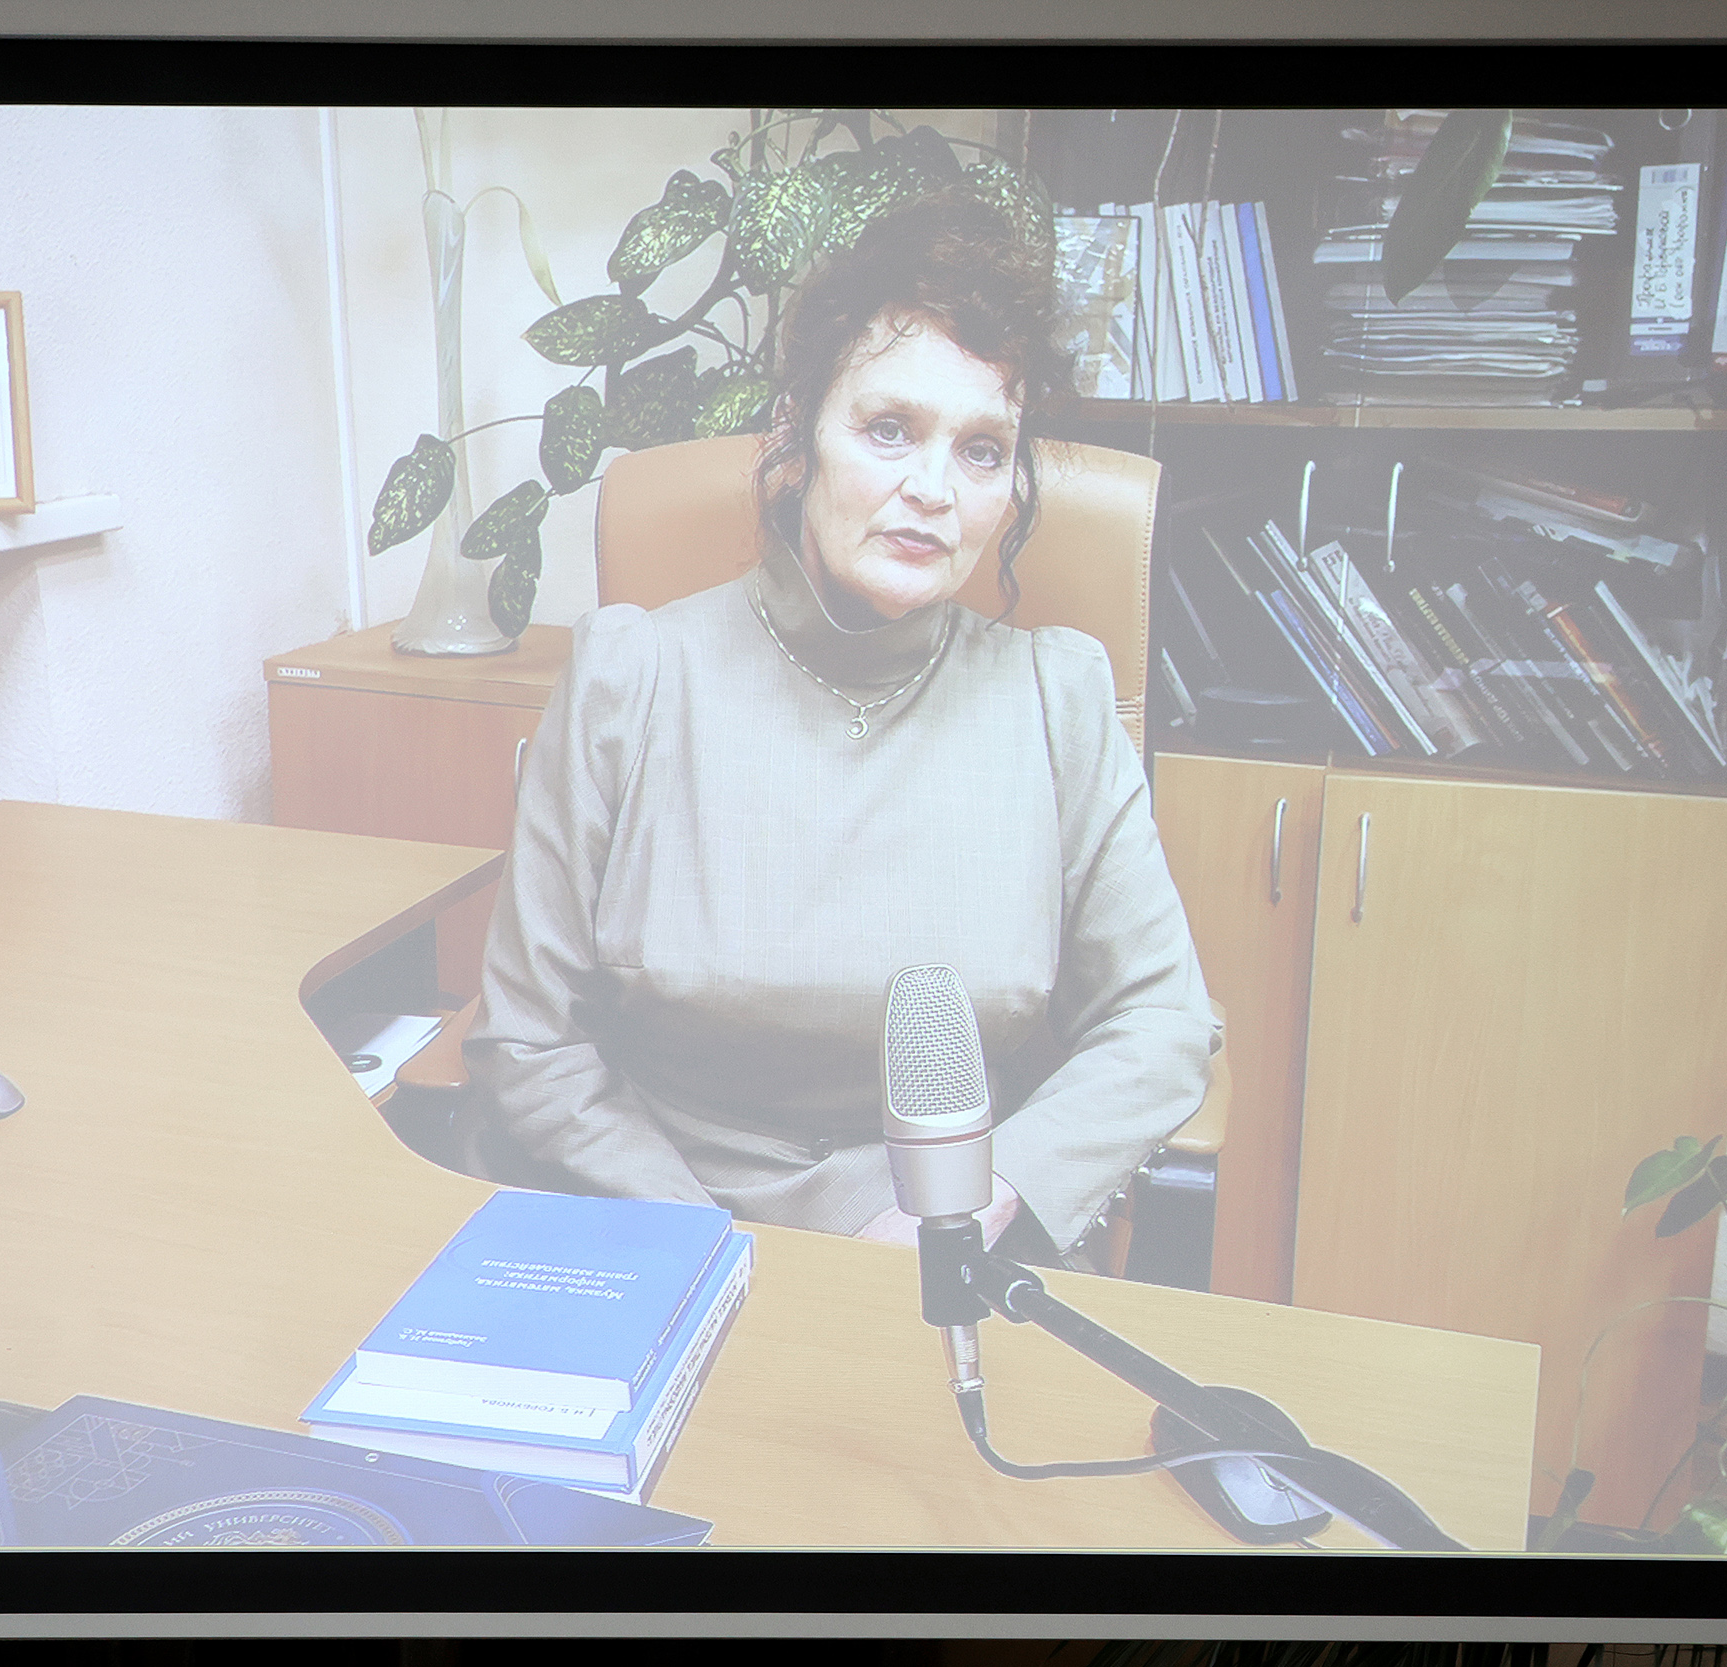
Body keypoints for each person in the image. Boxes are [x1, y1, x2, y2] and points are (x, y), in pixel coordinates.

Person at [459, 191, 1215, 1267]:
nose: (931, 490)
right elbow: (528, 1040)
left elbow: (1161, 1022)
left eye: (981, 450)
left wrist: (975, 1204)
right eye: (888, 429)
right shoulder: (632, 675)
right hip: (643, 1206)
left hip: (943, 1227)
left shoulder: (1058, 699)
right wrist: (705, 1250)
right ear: (797, 431)